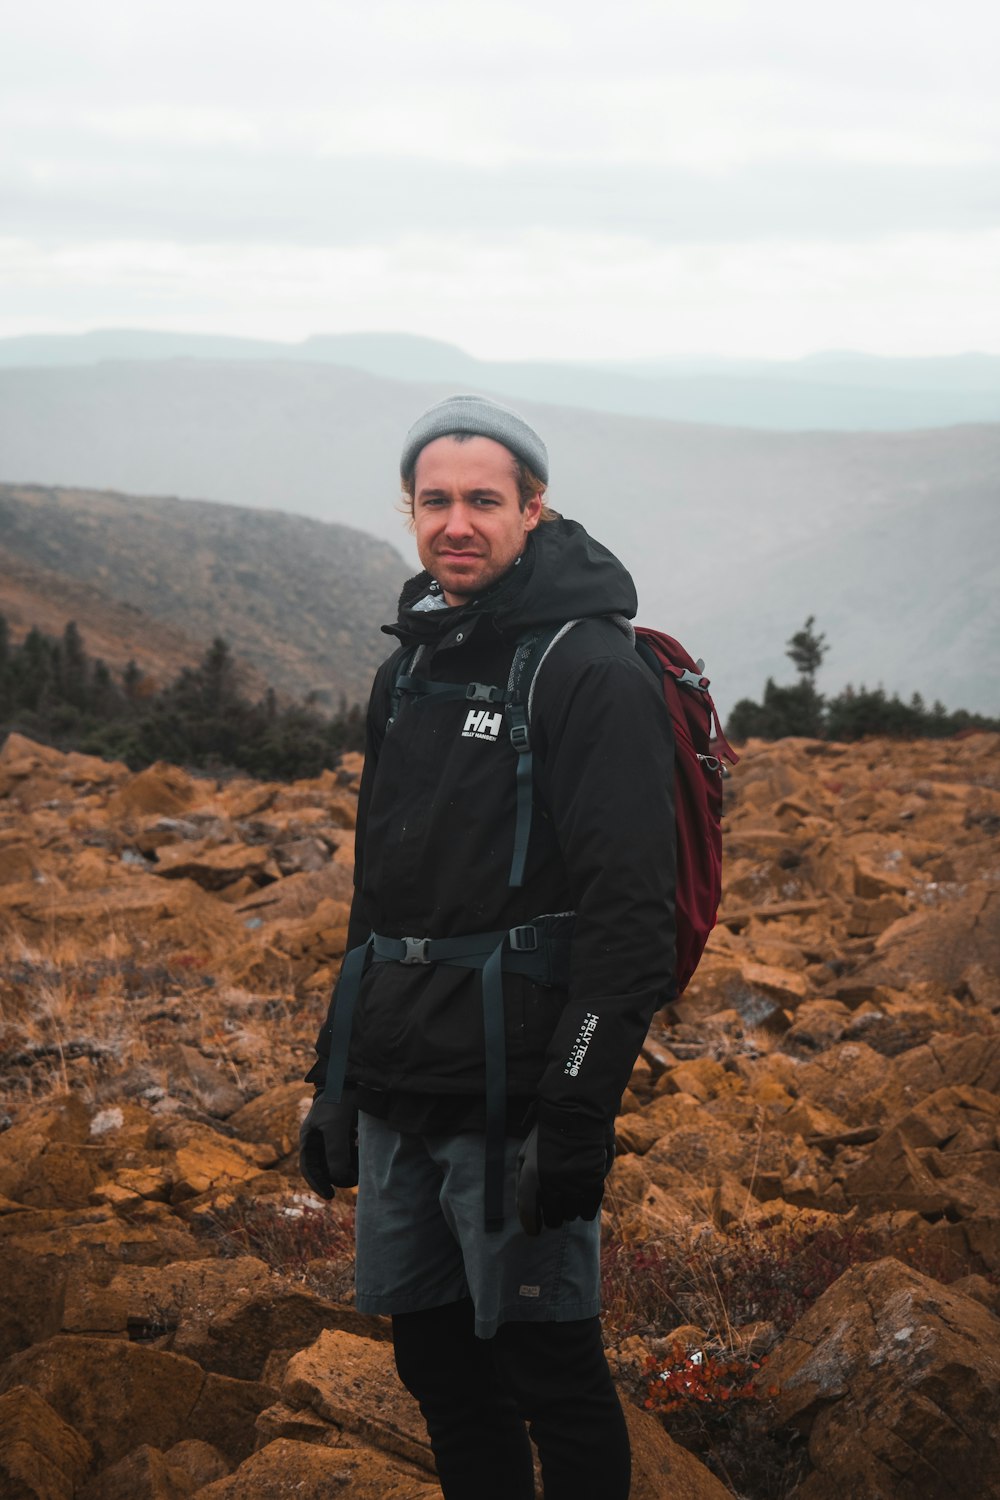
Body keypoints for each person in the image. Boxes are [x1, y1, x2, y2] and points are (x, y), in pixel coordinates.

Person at [300, 393, 676, 1500]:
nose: (455, 524)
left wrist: (576, 1109)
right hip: (399, 1079)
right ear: (409, 512)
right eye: (434, 501)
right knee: (433, 1363)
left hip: (513, 1087)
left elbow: (630, 917)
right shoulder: (409, 665)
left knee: (547, 1362)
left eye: (482, 501)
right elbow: (378, 901)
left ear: (533, 510)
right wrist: (335, 1078)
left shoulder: (588, 669)